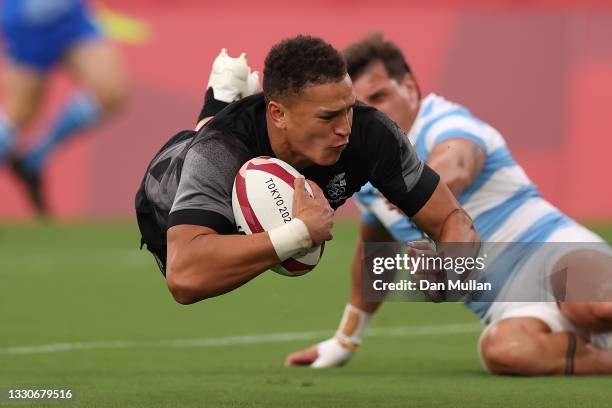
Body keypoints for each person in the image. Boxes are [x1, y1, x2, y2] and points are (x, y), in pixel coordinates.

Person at [285, 33, 612, 375]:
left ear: (409, 87)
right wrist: (344, 341)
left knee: (596, 306)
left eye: (379, 96)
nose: (368, 115)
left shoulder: (444, 121)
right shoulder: (367, 169)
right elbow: (374, 253)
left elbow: (456, 163)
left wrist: (414, 190)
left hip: (556, 253)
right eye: (356, 107)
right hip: (510, 307)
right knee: (505, 352)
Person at [135, 35, 479, 306]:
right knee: (200, 147)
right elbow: (184, 279)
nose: (345, 128)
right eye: (328, 116)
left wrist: (452, 273)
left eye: (348, 109)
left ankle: (225, 101)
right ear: (279, 114)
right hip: (168, 182)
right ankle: (219, 102)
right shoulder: (217, 150)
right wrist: (299, 233)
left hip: (253, 147)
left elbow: (453, 218)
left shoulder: (372, 132)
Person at [0, 0, 126, 214]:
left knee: (111, 91)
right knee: (21, 113)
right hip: (27, 19)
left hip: (69, 17)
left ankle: (34, 159)